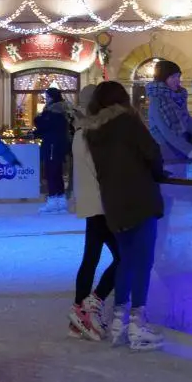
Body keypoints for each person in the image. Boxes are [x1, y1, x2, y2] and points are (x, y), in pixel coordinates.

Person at [83, 81, 166, 351]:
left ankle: (119, 319)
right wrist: (158, 174)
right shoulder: (128, 123)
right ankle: (137, 324)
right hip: (139, 198)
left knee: (126, 261)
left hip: (114, 204)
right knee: (142, 262)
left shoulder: (92, 132)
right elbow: (152, 152)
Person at [67, 84, 116, 340]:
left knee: (91, 257)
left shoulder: (81, 132)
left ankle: (79, 311)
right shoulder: (90, 134)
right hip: (101, 204)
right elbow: (101, 171)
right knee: (124, 256)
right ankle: (91, 303)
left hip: (92, 203)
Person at [145, 59, 192, 174]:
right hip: (165, 155)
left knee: (181, 185)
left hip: (180, 152)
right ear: (163, 78)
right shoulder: (157, 100)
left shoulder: (177, 98)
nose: (177, 81)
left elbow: (188, 122)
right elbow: (167, 133)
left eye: (178, 77)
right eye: (173, 77)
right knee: (172, 188)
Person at [33, 88, 72, 212]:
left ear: (53, 97)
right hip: (57, 144)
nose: (46, 99)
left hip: (52, 145)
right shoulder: (61, 110)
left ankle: (53, 200)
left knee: (51, 172)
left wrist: (38, 122)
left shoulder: (53, 111)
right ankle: (60, 200)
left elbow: (43, 125)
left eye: (48, 96)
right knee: (56, 172)